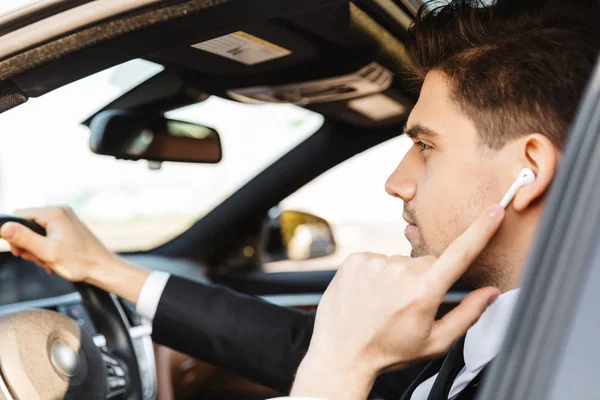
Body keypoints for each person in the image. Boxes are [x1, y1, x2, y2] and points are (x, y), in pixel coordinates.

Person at [2, 0, 599, 399]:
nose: (396, 181)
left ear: (530, 169)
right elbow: (298, 347)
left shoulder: (564, 374)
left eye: (424, 145)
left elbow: (322, 360)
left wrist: (338, 372)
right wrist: (104, 270)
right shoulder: (507, 329)